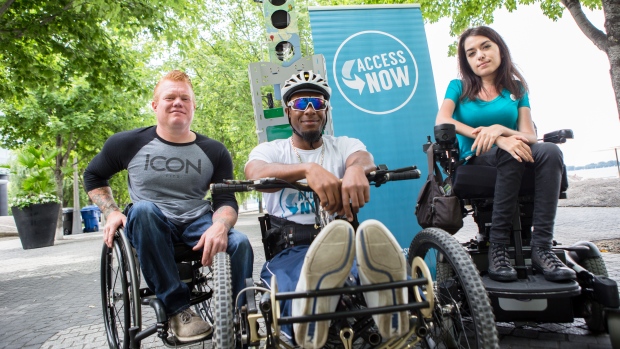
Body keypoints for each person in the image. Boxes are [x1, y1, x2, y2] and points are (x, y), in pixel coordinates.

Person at [84, 70, 253, 342]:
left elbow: (225, 199)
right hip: (150, 222)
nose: (178, 102)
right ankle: (178, 310)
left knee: (240, 242)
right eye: (170, 97)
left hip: (197, 220)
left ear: (194, 105)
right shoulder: (128, 143)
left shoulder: (214, 151)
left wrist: (220, 225)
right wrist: (111, 211)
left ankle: (239, 320)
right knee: (143, 210)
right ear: (155, 105)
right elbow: (93, 175)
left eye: (184, 98)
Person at [245, 70, 409, 348]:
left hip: (344, 241)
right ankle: (307, 320)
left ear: (326, 110)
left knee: (361, 269)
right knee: (288, 285)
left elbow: (362, 157)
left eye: (317, 103)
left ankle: (388, 309)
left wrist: (357, 169)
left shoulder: (344, 145)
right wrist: (308, 169)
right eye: (299, 104)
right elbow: (255, 173)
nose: (309, 110)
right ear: (288, 112)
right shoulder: (271, 149)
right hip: (290, 250)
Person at [435, 26, 576, 282]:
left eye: (486, 46)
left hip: (513, 151)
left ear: (499, 49)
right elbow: (443, 119)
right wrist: (497, 138)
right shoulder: (458, 87)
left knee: (551, 151)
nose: (480, 55)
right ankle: (497, 247)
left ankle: (541, 248)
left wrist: (502, 130)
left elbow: (528, 135)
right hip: (477, 158)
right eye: (471, 52)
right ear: (466, 61)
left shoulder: (517, 89)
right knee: (512, 153)